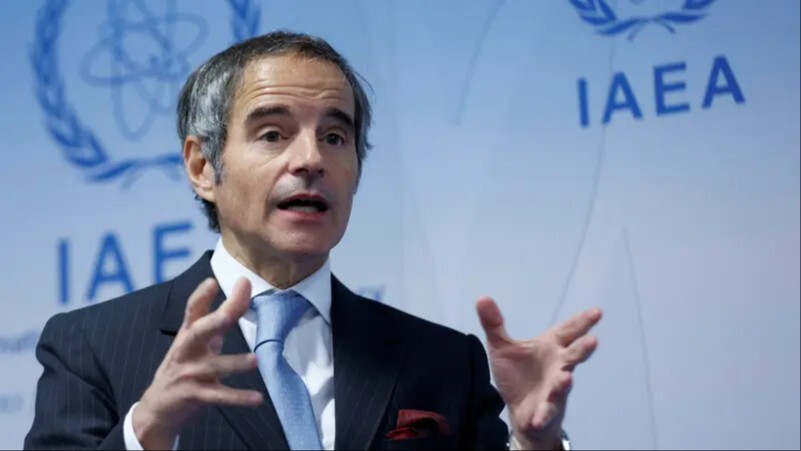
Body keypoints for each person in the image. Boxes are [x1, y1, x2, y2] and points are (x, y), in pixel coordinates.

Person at [24, 31, 601, 450]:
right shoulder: (92, 348)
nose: (311, 160)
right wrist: (148, 428)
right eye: (273, 134)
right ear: (203, 167)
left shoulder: (444, 361)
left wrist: (535, 442)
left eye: (334, 137)